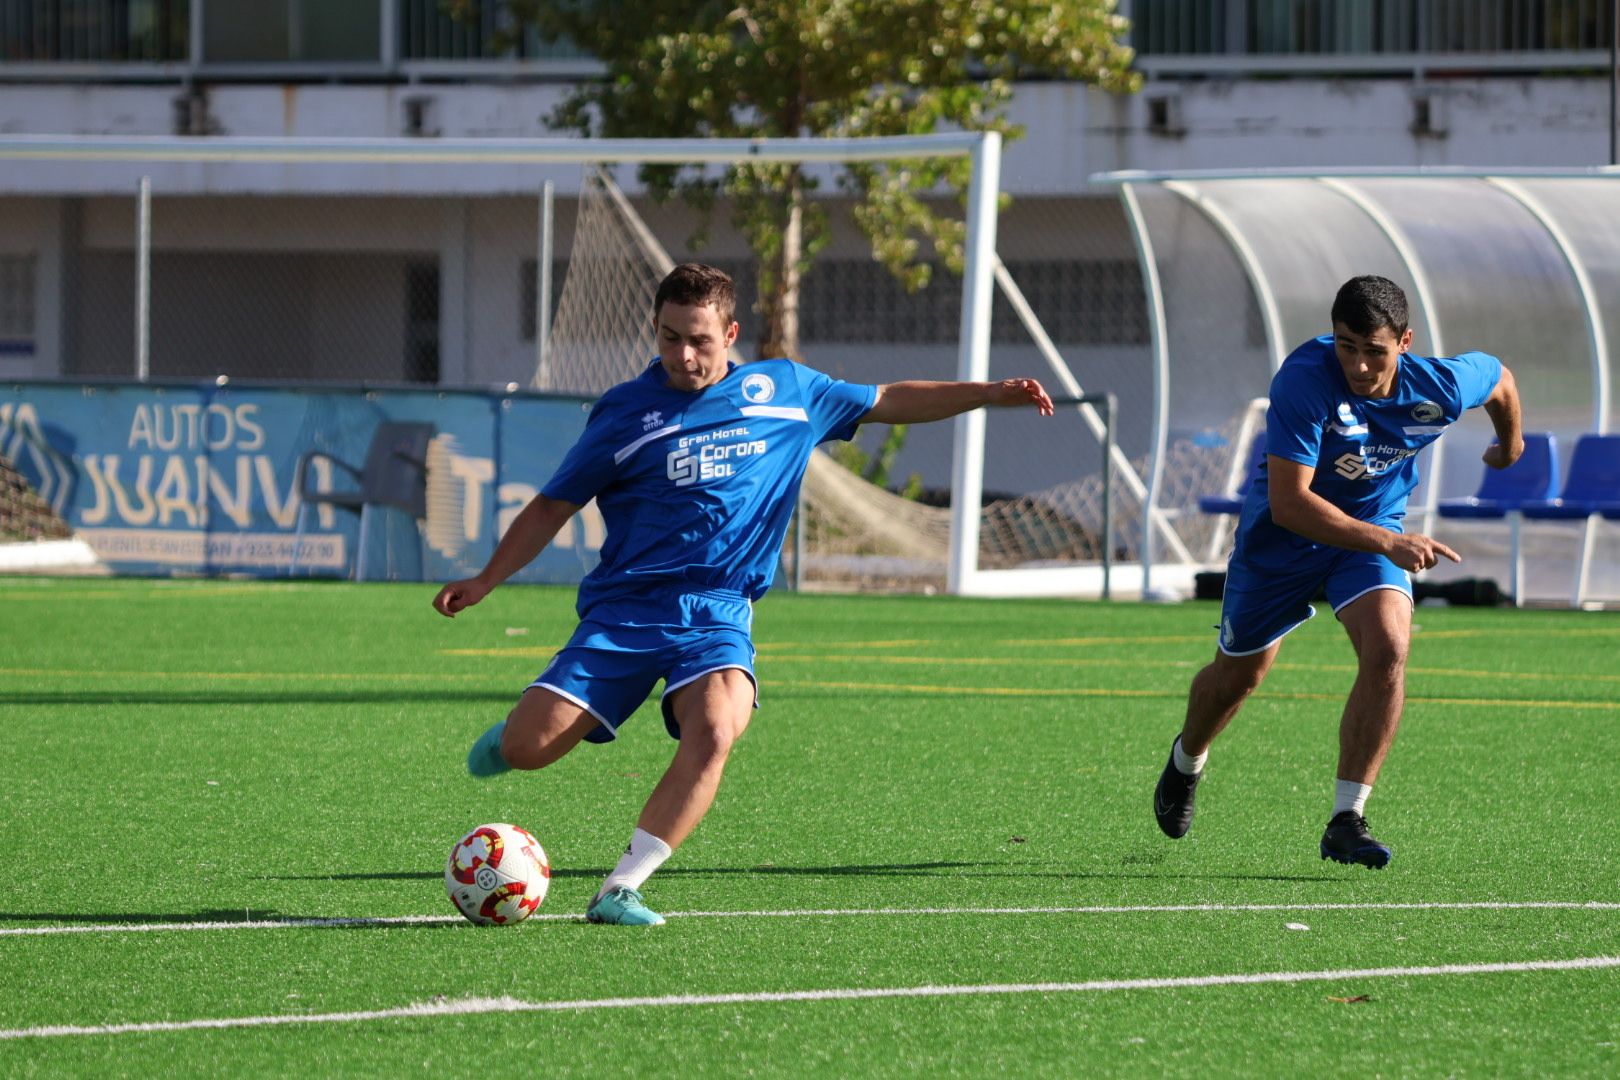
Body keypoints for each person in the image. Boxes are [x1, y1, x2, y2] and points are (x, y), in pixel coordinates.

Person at [433, 262, 1054, 925]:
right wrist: (485, 579)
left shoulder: (787, 390)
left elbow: (889, 399)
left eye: (699, 339)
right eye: (669, 338)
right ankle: (511, 742)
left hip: (719, 610)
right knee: (533, 749)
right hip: (628, 610)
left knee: (719, 726)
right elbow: (553, 506)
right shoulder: (624, 412)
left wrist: (986, 393)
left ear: (730, 333)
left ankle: (621, 887)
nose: (683, 355)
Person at [1153, 275, 1522, 868]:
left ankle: (1346, 819)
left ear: (1404, 341)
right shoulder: (1304, 380)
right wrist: (1389, 540)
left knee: (1389, 648)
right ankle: (1186, 760)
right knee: (1237, 679)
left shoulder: (1441, 387)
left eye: (1373, 350)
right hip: (1284, 542)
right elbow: (1290, 503)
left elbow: (1500, 378)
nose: (1357, 364)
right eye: (1346, 345)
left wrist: (1510, 446)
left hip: (1370, 534)